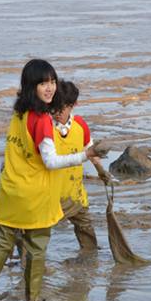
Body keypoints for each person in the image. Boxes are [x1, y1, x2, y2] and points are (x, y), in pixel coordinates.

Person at [0, 59, 109, 301]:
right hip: (35, 196)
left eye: (52, 82)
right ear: (31, 85)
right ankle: (31, 300)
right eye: (43, 83)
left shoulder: (18, 114)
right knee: (36, 247)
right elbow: (51, 162)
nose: (50, 88)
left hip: (11, 191)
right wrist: (86, 156)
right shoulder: (42, 119)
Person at [53, 80, 111, 251]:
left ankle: (89, 261)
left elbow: (90, 150)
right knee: (37, 233)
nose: (56, 112)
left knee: (86, 230)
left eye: (61, 108)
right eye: (53, 108)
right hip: (50, 195)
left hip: (75, 192)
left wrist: (101, 171)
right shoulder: (45, 127)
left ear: (73, 105)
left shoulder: (80, 125)